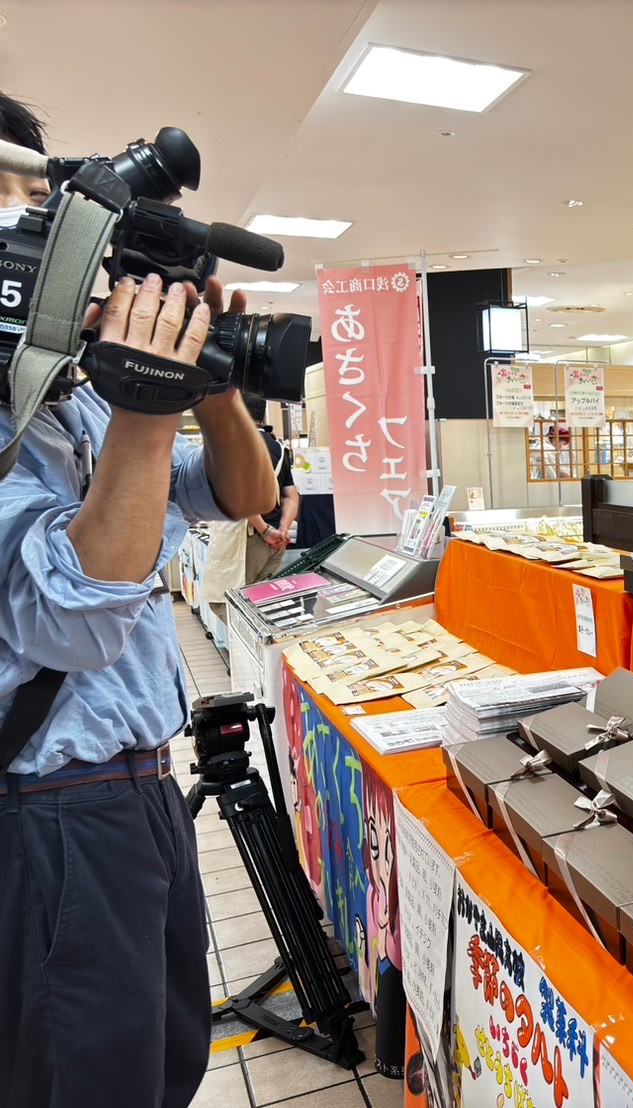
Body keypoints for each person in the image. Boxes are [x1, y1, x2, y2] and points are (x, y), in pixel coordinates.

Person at [0, 93, 279, 1107]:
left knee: (164, 1060)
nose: (41, 221)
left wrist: (210, 388)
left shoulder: (69, 397)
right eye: (18, 197)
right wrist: (148, 411)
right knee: (88, 1077)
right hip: (48, 812)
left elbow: (243, 494)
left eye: (43, 195)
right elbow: (70, 620)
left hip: (140, 794)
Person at [244, 397, 299, 583]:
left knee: (233, 600)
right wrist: (283, 528)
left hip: (248, 536)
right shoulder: (278, 448)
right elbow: (291, 496)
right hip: (277, 538)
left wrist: (265, 531)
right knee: (264, 599)